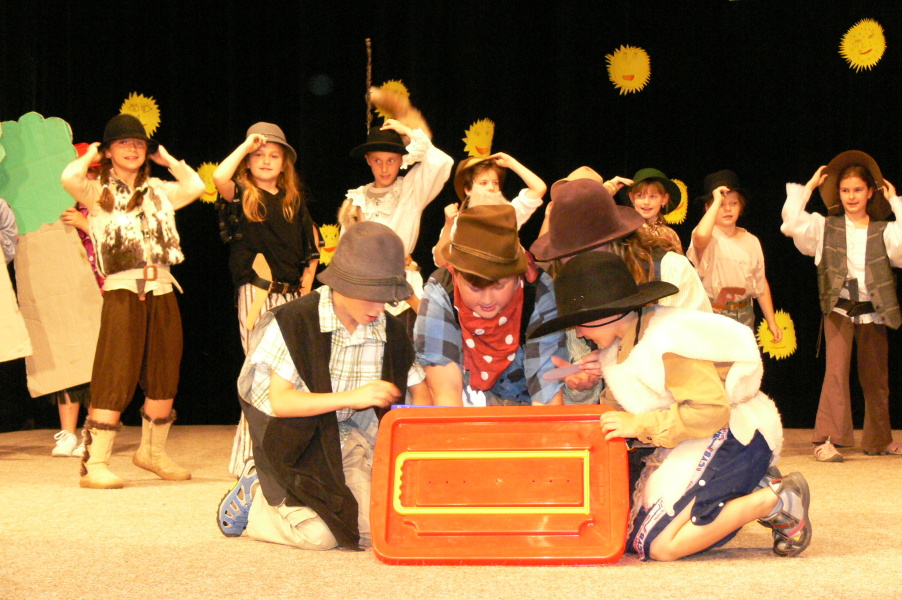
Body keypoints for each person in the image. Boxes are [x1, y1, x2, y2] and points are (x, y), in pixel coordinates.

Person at [528, 251, 811, 561]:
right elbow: (620, 414)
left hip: (733, 432)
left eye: (580, 324)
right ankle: (748, 483)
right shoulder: (620, 344)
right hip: (690, 436)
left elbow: (711, 411)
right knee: (624, 531)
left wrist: (638, 425)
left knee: (659, 544)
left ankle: (776, 500)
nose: (579, 333)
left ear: (604, 315)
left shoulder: (668, 340)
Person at [217, 221, 430, 549]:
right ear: (343, 284)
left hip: (348, 443)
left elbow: (421, 392)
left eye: (387, 298)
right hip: (295, 442)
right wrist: (352, 397)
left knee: (372, 530)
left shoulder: (388, 330)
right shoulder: (295, 321)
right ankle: (258, 493)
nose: (379, 307)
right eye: (372, 296)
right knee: (320, 537)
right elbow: (282, 402)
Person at [61, 113, 204, 488]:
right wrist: (90, 155)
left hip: (163, 288)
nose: (132, 149)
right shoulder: (98, 191)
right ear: (109, 151)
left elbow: (196, 186)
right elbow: (69, 178)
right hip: (124, 290)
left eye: (138, 143)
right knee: (115, 372)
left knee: (164, 373)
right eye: (123, 143)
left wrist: (169, 160)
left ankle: (152, 453)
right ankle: (95, 463)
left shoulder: (158, 190)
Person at [530, 168, 710, 404]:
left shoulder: (670, 270)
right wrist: (582, 386)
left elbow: (699, 354)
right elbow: (570, 379)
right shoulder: (564, 281)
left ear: (614, 239)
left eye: (585, 249)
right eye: (566, 254)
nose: (575, 262)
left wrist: (622, 362)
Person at [212, 122, 320, 477]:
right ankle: (247, 457)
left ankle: (280, 453)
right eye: (259, 155)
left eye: (274, 155)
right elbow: (219, 177)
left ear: (284, 163)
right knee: (257, 370)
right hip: (257, 294)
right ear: (247, 160)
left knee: (286, 374)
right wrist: (245, 146)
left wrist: (305, 290)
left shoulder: (292, 201)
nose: (266, 160)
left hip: (290, 296)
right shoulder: (243, 194)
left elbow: (312, 249)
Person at [780, 150, 902, 461]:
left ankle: (879, 439)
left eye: (858, 189)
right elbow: (792, 224)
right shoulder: (825, 226)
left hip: (874, 311)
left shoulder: (884, 229)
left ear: (870, 192)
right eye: (845, 190)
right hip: (839, 309)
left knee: (876, 379)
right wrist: (809, 187)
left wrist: (896, 202)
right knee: (835, 374)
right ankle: (827, 440)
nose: (851, 196)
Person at [415, 204, 566, 406]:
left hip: (525, 405)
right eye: (474, 288)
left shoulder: (540, 291)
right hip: (465, 402)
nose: (487, 300)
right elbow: (446, 392)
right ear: (455, 275)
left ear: (517, 274)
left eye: (499, 286)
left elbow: (546, 387)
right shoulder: (440, 293)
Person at [338, 115, 453, 329]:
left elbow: (442, 163)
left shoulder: (411, 189)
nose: (384, 168)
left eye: (391, 160)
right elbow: (344, 256)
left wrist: (408, 132)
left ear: (401, 160)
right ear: (368, 160)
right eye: (377, 160)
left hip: (403, 296)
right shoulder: (356, 200)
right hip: (364, 296)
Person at [687, 170, 781, 342]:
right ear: (709, 208)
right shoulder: (708, 236)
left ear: (741, 206)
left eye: (734, 203)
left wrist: (771, 321)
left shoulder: (751, 241)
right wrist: (716, 200)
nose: (728, 209)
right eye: (721, 204)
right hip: (714, 313)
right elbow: (700, 236)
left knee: (743, 358)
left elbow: (760, 283)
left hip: (745, 314)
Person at [433, 152, 546, 266]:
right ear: (468, 190)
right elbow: (441, 261)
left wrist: (511, 163)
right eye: (483, 183)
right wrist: (449, 224)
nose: (491, 187)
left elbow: (539, 188)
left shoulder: (507, 214)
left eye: (495, 183)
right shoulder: (458, 222)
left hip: (509, 275)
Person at [617, 168, 684, 252]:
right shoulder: (624, 230)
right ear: (632, 197)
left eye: (653, 196)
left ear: (664, 199)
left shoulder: (670, 235)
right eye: (640, 196)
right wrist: (610, 186)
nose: (646, 202)